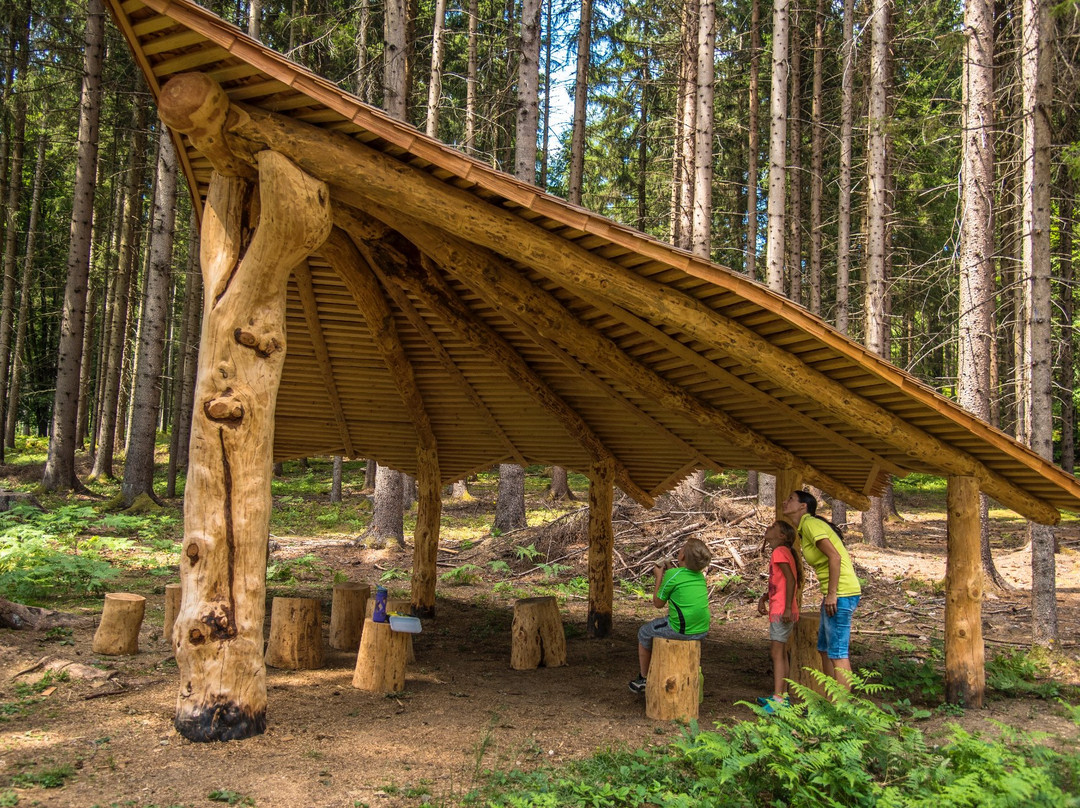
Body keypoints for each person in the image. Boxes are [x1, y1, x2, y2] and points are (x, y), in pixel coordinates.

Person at [782, 490, 861, 688]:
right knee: (824, 649)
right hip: (833, 593)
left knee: (837, 652)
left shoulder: (810, 524)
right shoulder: (805, 526)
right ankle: (829, 701)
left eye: (790, 499)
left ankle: (841, 709)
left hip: (841, 593)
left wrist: (833, 594)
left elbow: (835, 557)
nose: (785, 502)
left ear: (803, 506)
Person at [629, 537, 712, 694]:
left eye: (681, 549)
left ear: (682, 557)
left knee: (644, 632)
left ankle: (644, 678)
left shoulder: (672, 575)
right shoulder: (700, 576)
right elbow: (681, 577)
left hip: (680, 630)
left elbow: (658, 603)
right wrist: (669, 568)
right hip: (701, 630)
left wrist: (659, 576)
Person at [756, 521, 800, 710]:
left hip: (782, 610)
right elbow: (781, 582)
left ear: (782, 536)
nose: (769, 528)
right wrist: (765, 597)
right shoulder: (783, 552)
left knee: (777, 653)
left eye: (773, 527)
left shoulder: (779, 552)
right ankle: (783, 696)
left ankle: (778, 699)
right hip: (781, 606)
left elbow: (790, 580)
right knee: (780, 653)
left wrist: (788, 608)